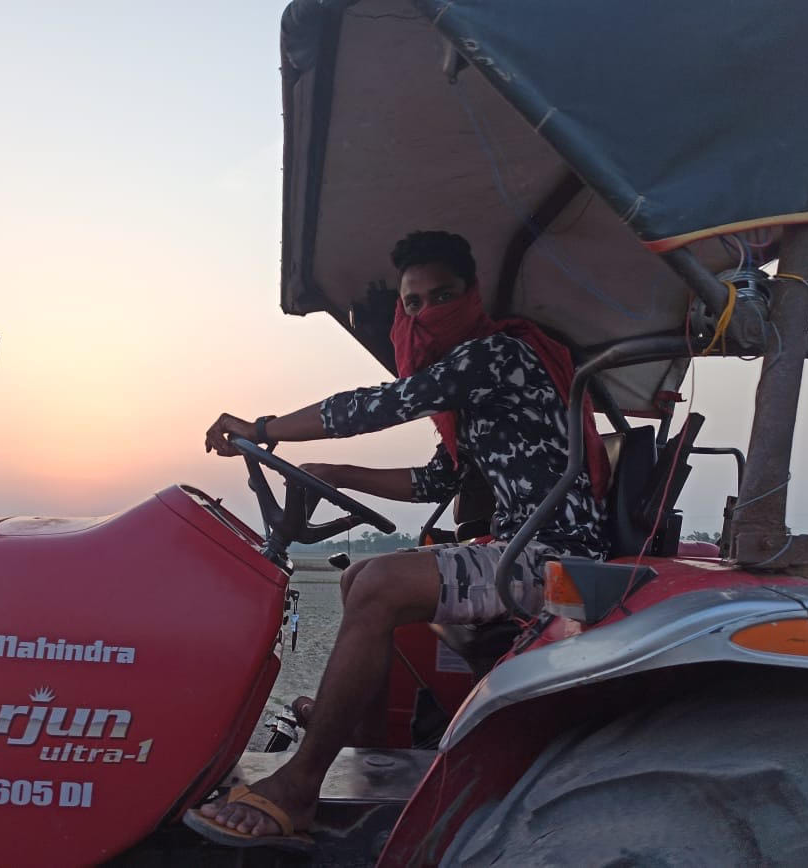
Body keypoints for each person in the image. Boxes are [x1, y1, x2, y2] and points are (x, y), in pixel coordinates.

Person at [185, 230, 609, 851]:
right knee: (360, 576)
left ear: (472, 296)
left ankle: (299, 787)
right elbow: (434, 480)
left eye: (443, 296)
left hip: (553, 559)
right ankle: (367, 747)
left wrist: (264, 428)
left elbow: (381, 405)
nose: (427, 312)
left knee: (380, 583)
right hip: (518, 547)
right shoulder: (471, 395)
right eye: (413, 303)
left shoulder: (497, 356)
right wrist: (337, 475)